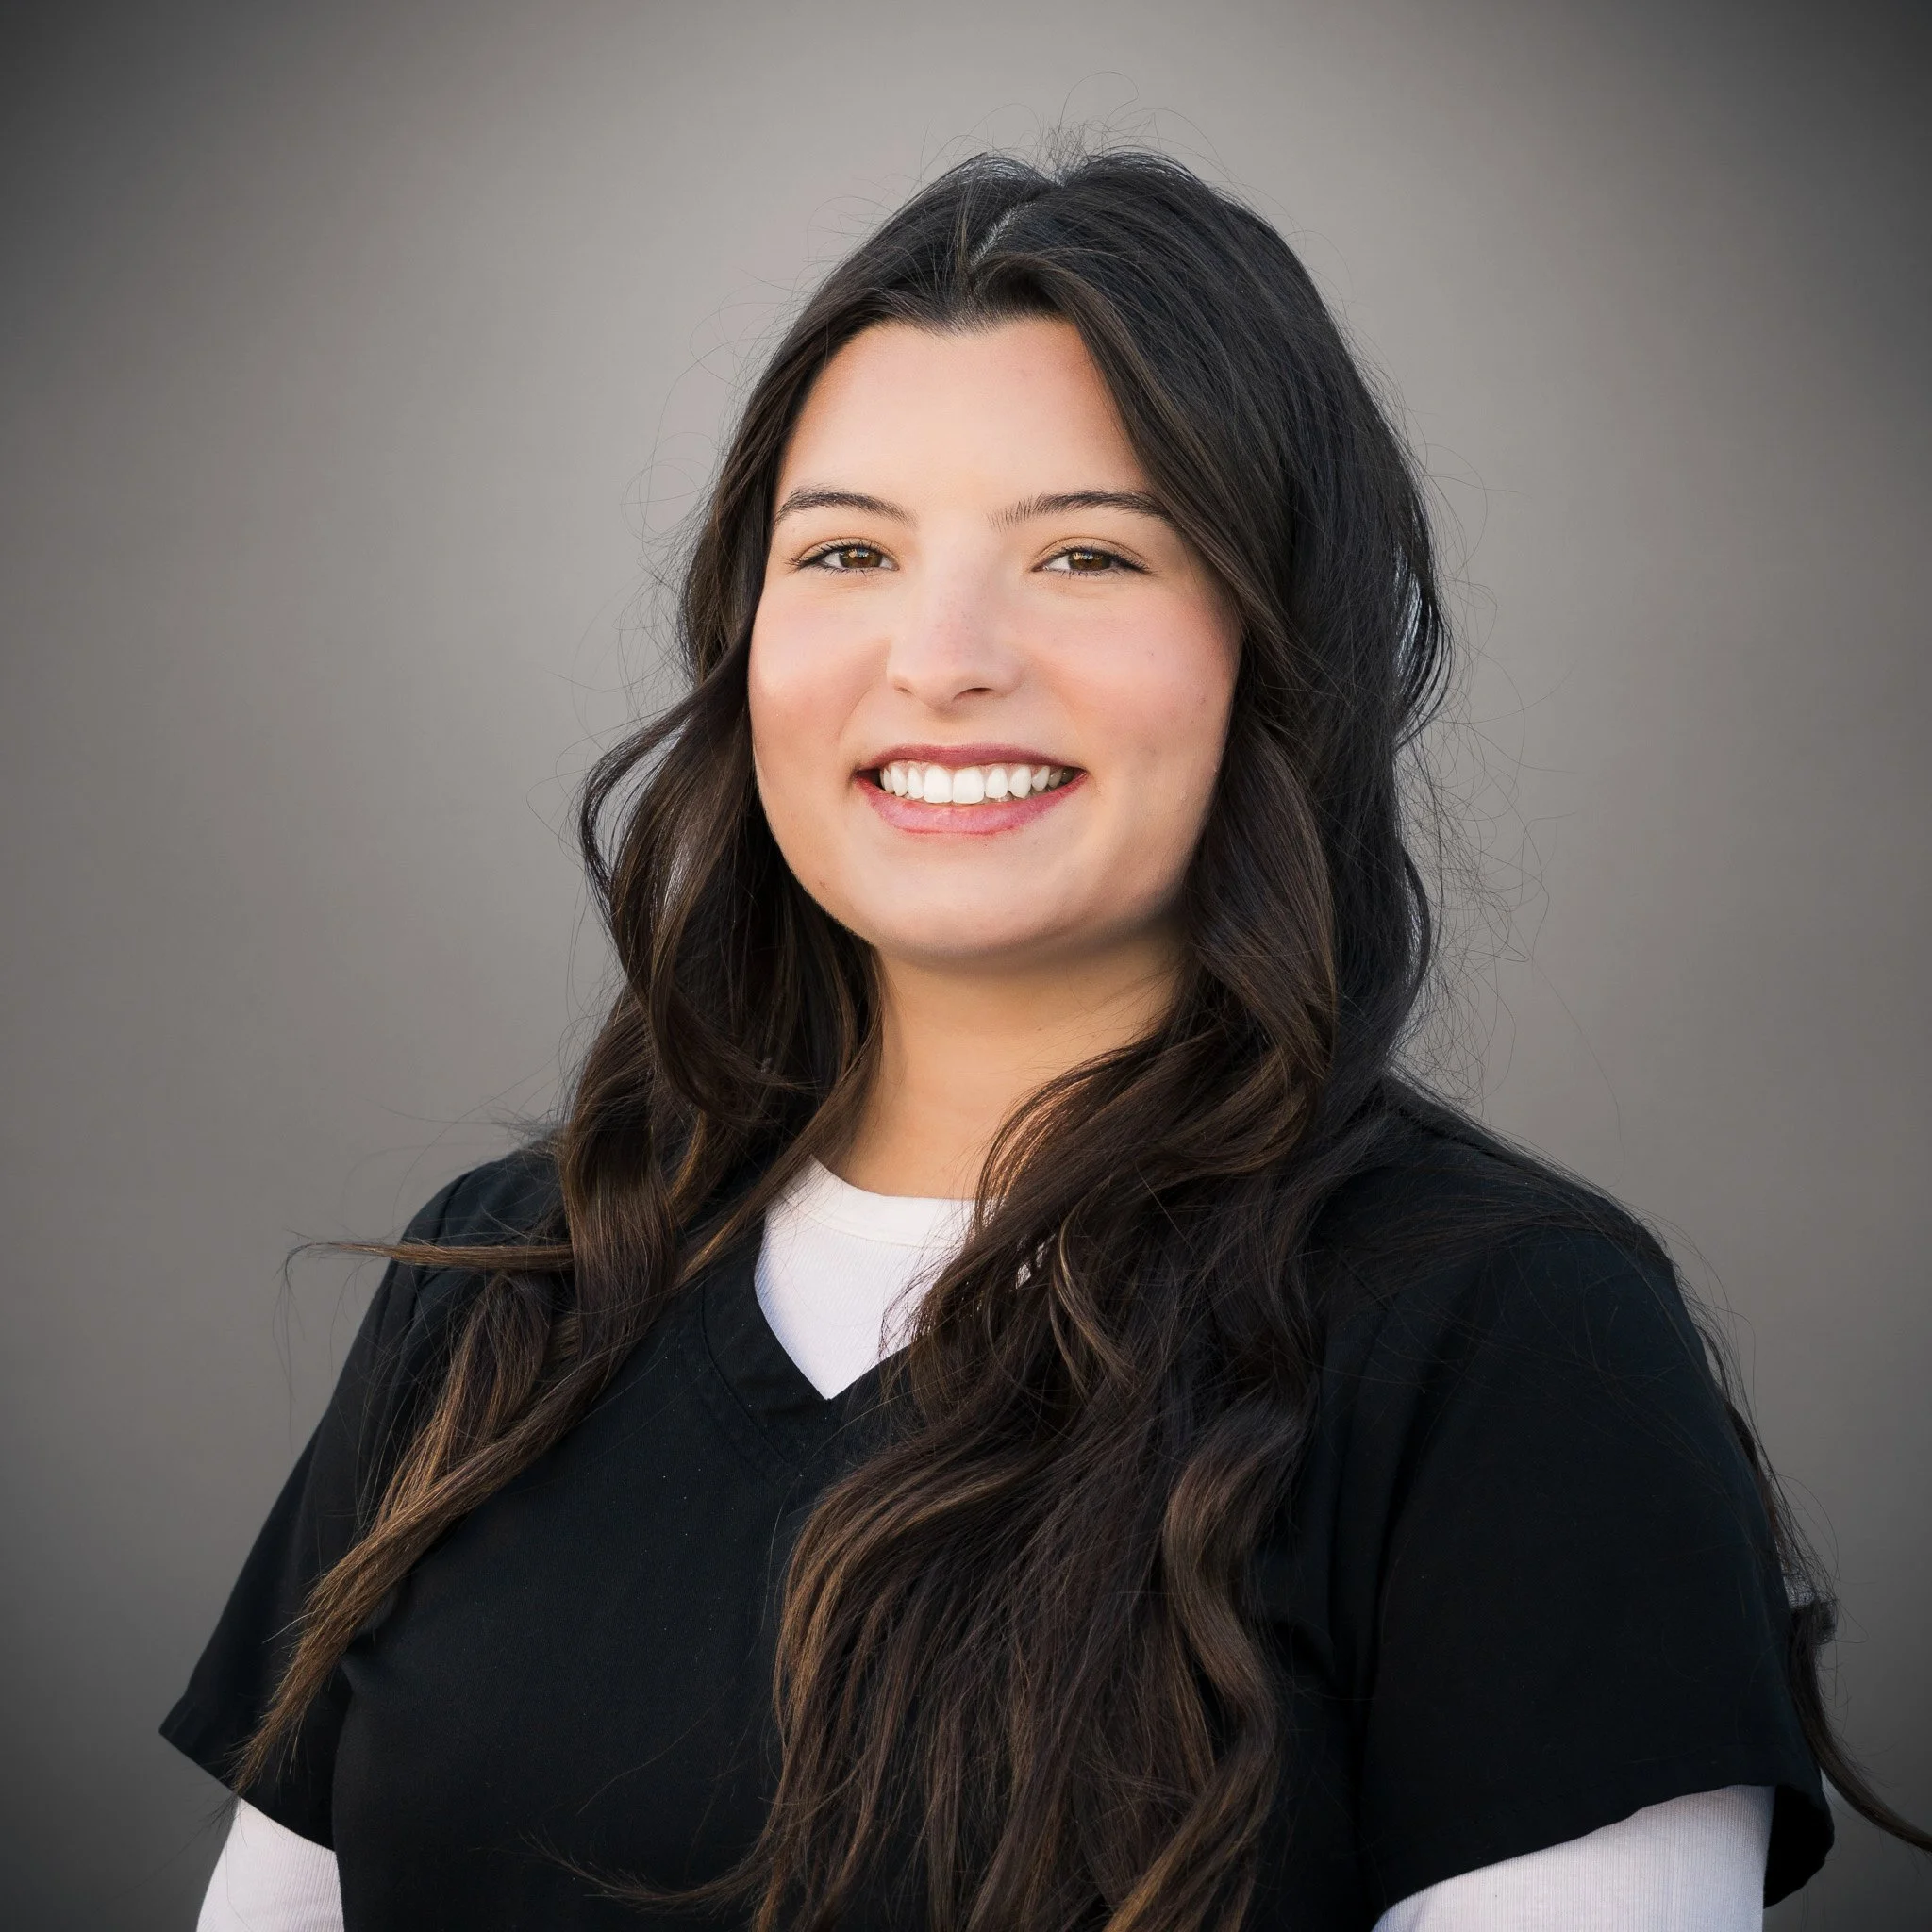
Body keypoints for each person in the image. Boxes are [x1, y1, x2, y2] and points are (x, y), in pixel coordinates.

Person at [162, 148, 1921, 1932]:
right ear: (746, 638)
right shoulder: (502, 1293)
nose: (943, 656)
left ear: (1275, 644)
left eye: (1086, 553)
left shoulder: (1508, 1352)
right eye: (846, 550)